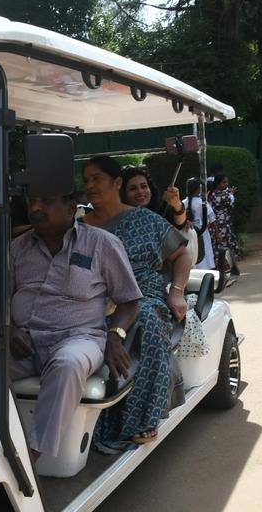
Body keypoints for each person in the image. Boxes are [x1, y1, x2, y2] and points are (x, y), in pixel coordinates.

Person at [0, 192, 142, 462]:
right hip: (23, 343)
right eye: (32, 202)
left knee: (67, 363)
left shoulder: (101, 243)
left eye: (45, 200)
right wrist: (8, 328)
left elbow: (129, 301)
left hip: (79, 339)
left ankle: (31, 457)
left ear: (70, 207)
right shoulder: (16, 247)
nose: (36, 207)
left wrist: (115, 336)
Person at [82, 158, 193, 454]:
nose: (90, 186)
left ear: (116, 183)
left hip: (142, 296)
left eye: (97, 179)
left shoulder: (145, 220)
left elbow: (182, 255)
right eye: (86, 180)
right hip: (92, 300)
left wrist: (177, 291)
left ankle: (139, 418)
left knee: (144, 320)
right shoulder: (78, 227)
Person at [208, 174, 238, 280]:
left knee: (216, 247)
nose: (226, 184)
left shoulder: (211, 194)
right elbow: (231, 203)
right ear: (218, 183)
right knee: (225, 247)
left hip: (214, 224)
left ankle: (219, 270)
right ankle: (225, 271)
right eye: (224, 182)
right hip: (223, 224)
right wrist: (231, 194)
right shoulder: (224, 195)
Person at [186, 178, 216, 270]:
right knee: (205, 252)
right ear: (198, 189)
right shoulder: (203, 203)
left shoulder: (182, 203)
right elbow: (212, 219)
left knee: (192, 252)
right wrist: (217, 234)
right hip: (203, 234)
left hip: (188, 235)